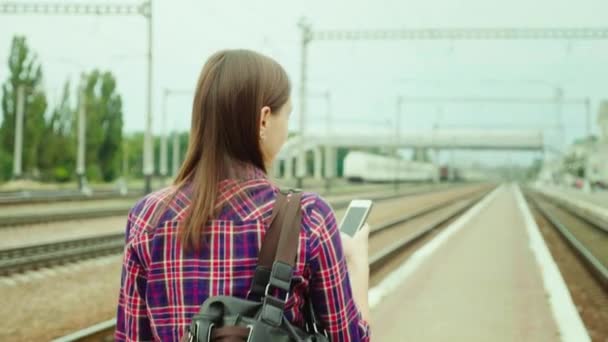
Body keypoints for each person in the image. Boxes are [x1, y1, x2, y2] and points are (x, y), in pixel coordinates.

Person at [115, 49, 371, 341]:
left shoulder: (148, 216)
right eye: (286, 116)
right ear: (264, 120)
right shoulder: (308, 217)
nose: (287, 130)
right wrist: (357, 264)